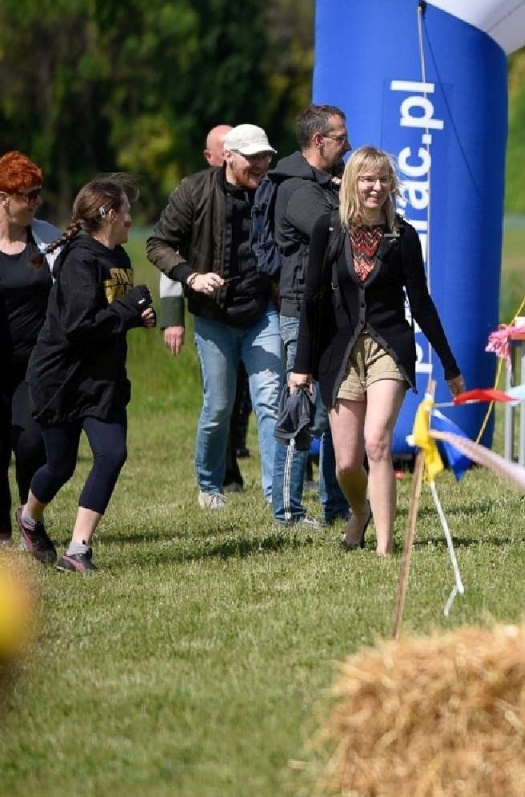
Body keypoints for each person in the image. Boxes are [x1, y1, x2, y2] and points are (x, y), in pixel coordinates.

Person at [289, 147, 465, 554]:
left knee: (377, 442)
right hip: (339, 354)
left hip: (389, 349)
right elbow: (312, 300)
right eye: (368, 179)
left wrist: (450, 366)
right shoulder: (328, 229)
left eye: (383, 179)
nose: (376, 187)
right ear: (353, 182)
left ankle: (386, 547)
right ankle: (360, 511)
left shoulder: (403, 236)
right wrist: (302, 366)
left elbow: (422, 305)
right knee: (346, 463)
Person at [147, 123, 291, 523]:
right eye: (253, 158)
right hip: (213, 317)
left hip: (262, 312)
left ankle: (275, 494)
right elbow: (158, 243)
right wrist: (191, 277)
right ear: (228, 156)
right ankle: (210, 486)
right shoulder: (194, 191)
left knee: (269, 401)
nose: (261, 165)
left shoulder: (273, 191)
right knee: (219, 407)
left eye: (265, 157)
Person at [16, 174, 155, 572]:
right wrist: (128, 311)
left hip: (103, 379)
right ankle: (29, 518)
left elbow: (110, 317)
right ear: (109, 215)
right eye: (126, 212)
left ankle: (77, 550)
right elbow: (79, 325)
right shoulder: (80, 259)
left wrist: (136, 316)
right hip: (62, 378)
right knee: (60, 466)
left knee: (112, 454)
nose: (130, 220)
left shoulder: (119, 257)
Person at [268, 104, 353, 526]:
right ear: (318, 141)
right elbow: (335, 231)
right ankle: (287, 511)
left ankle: (337, 505)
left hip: (335, 311)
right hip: (301, 312)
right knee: (300, 412)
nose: (348, 146)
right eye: (341, 138)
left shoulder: (329, 183)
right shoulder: (297, 190)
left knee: (338, 410)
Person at [158, 123, 251, 494]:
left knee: (253, 396)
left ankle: (243, 462)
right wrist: (172, 318)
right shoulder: (193, 192)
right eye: (224, 149)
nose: (230, 155)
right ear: (211, 155)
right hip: (211, 311)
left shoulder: (254, 191)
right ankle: (224, 471)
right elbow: (170, 257)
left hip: (251, 309)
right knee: (221, 399)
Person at [0, 152, 58, 547]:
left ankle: (29, 517)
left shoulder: (47, 236)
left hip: (35, 364)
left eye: (38, 193)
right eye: (28, 195)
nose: (36, 201)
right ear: (4, 198)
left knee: (31, 443)